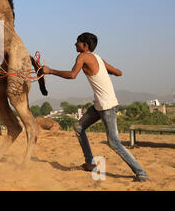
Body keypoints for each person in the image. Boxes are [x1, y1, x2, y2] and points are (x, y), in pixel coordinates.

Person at [40, 32, 149, 182]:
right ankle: (90, 163)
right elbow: (119, 72)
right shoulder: (98, 58)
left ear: (84, 45)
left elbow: (72, 75)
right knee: (78, 127)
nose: (74, 44)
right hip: (100, 105)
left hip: (107, 107)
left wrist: (50, 71)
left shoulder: (82, 57)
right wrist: (108, 72)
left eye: (77, 42)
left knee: (113, 142)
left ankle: (141, 173)